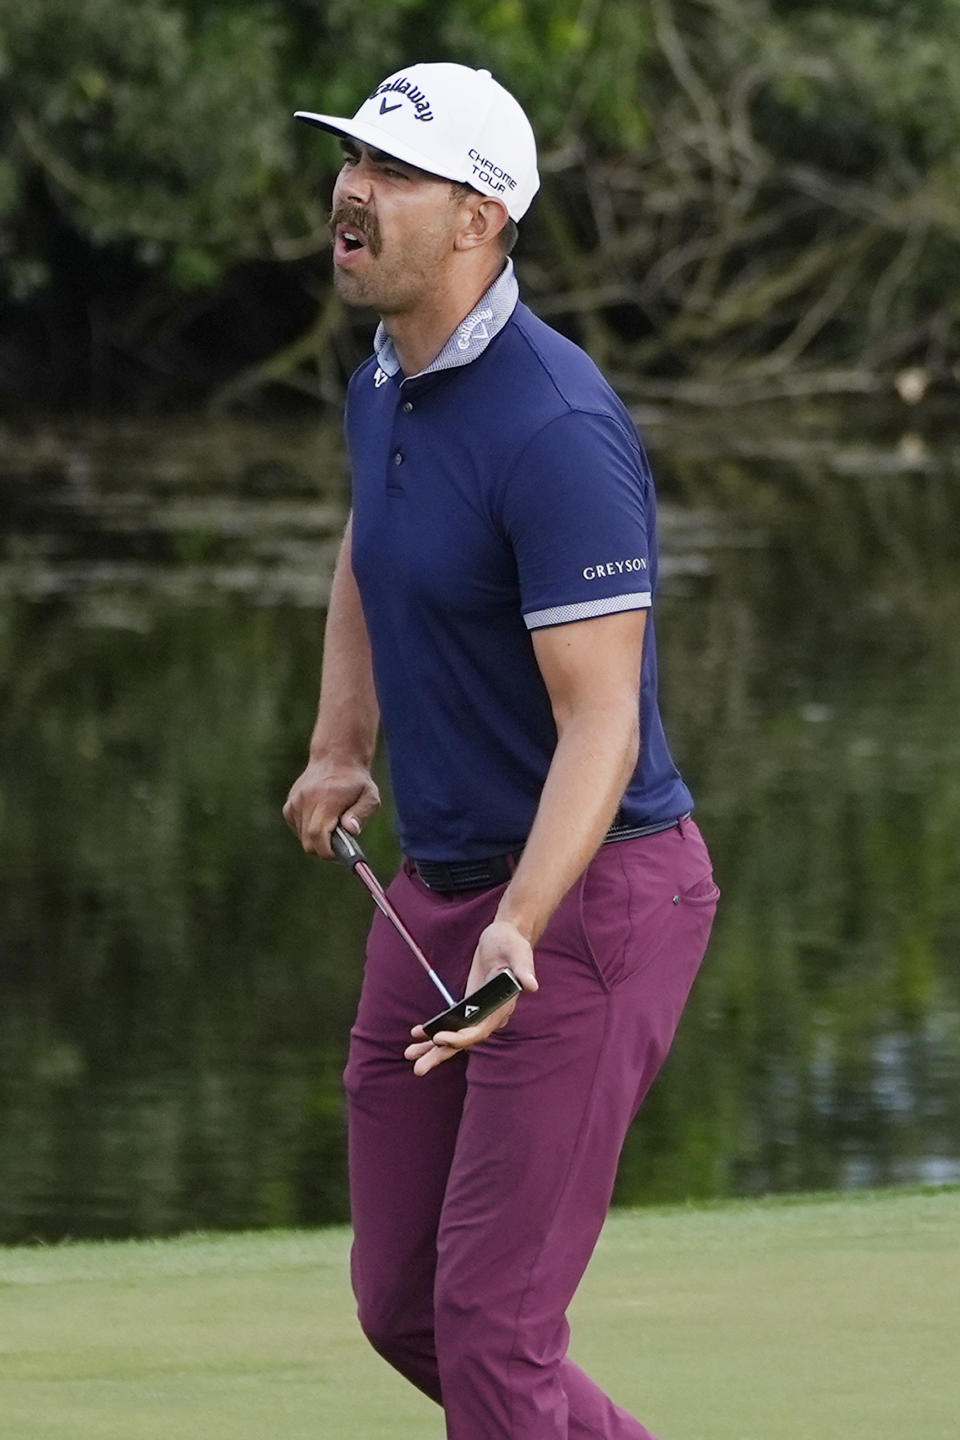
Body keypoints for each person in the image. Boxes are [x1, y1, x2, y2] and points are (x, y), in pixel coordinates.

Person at [283, 61, 719, 1440]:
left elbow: (603, 718)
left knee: (491, 1329)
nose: (353, 190)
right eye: (353, 160)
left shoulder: (557, 426)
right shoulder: (385, 379)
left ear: (480, 216)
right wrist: (342, 740)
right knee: (404, 1305)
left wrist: (522, 923)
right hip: (442, 888)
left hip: (590, 906)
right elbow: (373, 543)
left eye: (393, 173)